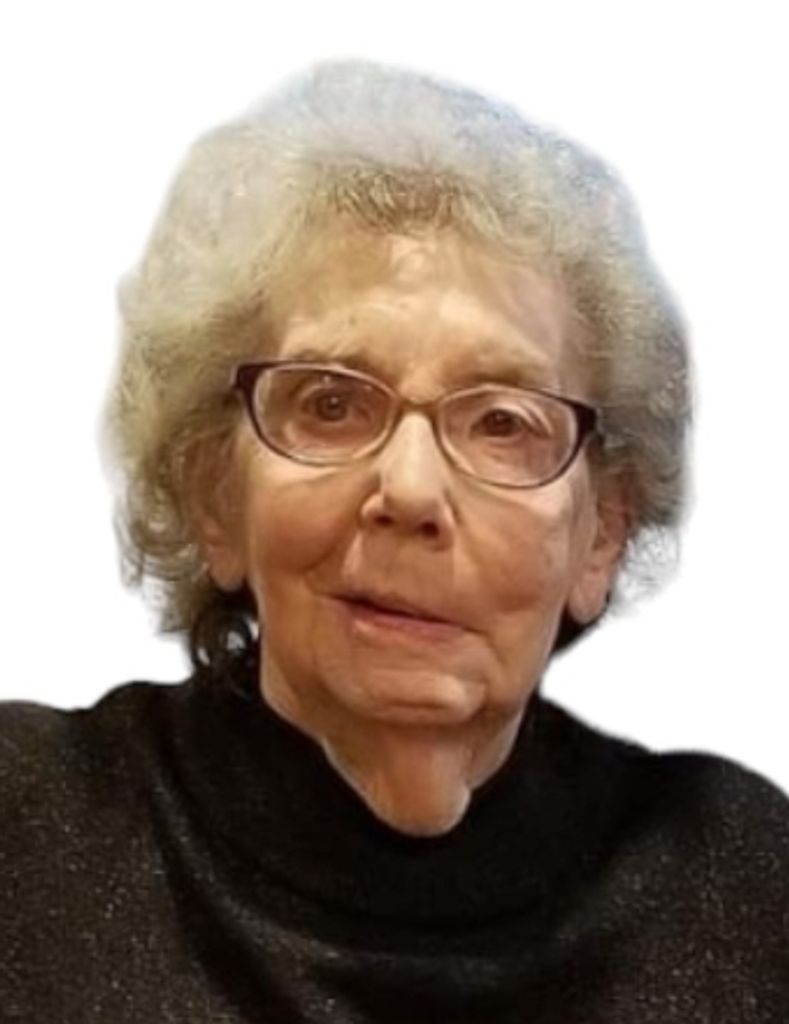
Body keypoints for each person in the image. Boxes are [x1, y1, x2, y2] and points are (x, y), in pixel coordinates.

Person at [2, 59, 788, 1023]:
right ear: (214, 496)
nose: (410, 490)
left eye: (501, 422)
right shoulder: (28, 836)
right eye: (330, 404)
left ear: (601, 534)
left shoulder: (740, 885)